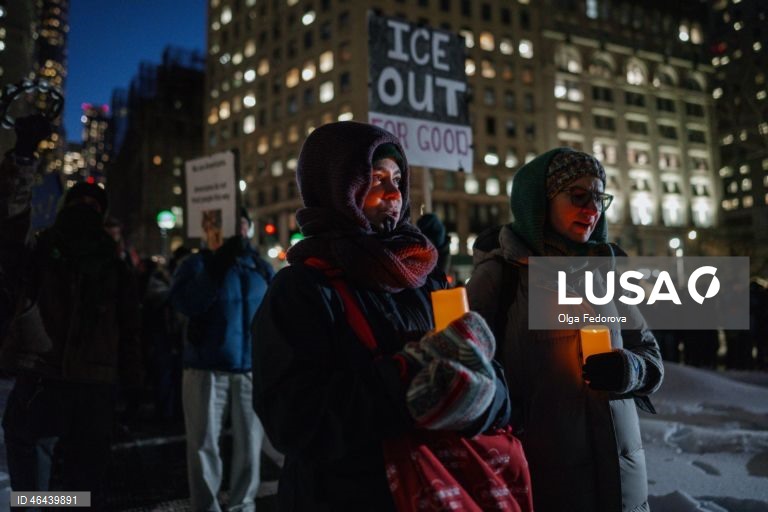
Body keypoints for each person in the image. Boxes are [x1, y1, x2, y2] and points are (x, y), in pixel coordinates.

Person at [252, 121, 518, 511]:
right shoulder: (301, 289)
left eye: (397, 178)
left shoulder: (425, 278)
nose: (394, 193)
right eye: (376, 180)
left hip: (437, 489)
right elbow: (293, 420)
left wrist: (484, 400)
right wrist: (409, 377)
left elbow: (493, 383)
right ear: (338, 187)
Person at [467, 147, 664, 512]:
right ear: (539, 202)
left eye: (598, 197)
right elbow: (467, 375)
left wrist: (630, 370)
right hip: (542, 480)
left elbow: (650, 354)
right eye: (578, 195)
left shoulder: (607, 275)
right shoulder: (500, 277)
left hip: (622, 483)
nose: (592, 209)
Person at [0, 115, 142, 510]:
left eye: (92, 206)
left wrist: (131, 386)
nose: (84, 210)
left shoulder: (115, 269)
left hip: (87, 395)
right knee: (36, 497)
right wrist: (24, 157)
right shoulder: (41, 252)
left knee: (74, 497)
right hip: (44, 387)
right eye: (78, 203)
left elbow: (130, 331)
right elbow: (10, 221)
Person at [169, 207, 281, 512]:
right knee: (204, 445)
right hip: (205, 369)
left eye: (242, 224)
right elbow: (185, 303)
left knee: (249, 446)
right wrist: (216, 267)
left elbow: (276, 313)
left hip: (249, 370)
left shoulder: (259, 266)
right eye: (234, 225)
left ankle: (243, 505)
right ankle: (206, 506)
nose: (239, 231)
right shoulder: (196, 264)